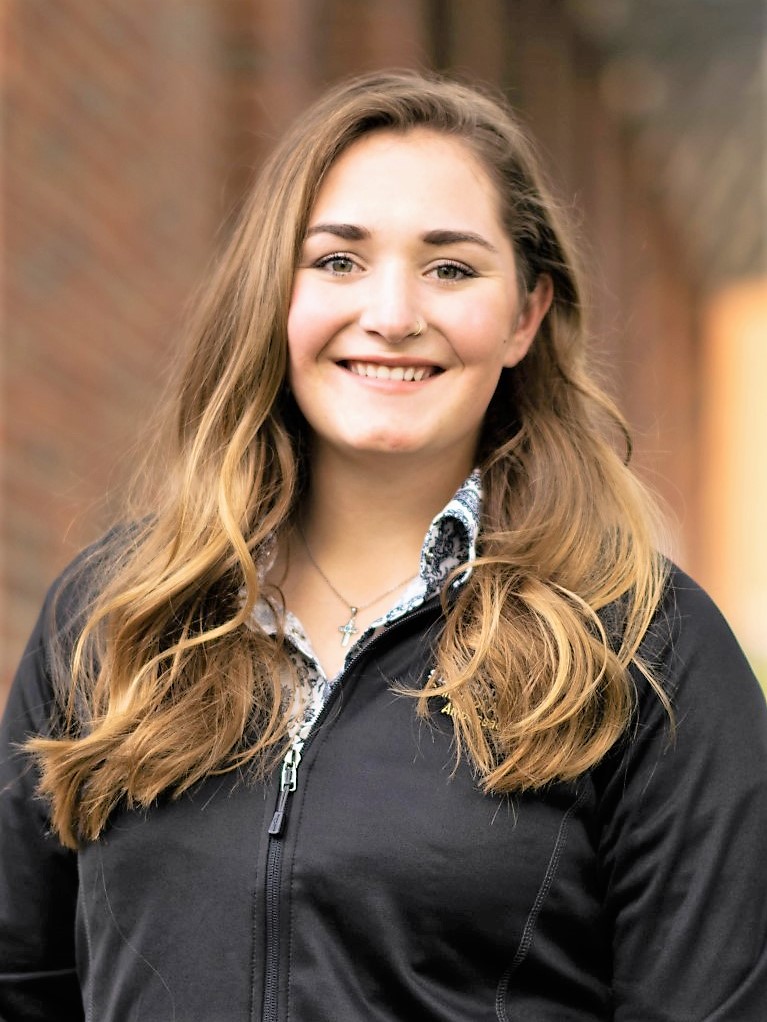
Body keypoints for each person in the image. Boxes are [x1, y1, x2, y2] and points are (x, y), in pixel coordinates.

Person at [1, 69, 765, 1022]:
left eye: (451, 268)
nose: (394, 313)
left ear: (525, 314)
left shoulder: (648, 648)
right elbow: (21, 984)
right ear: (271, 297)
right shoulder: (115, 614)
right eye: (336, 261)